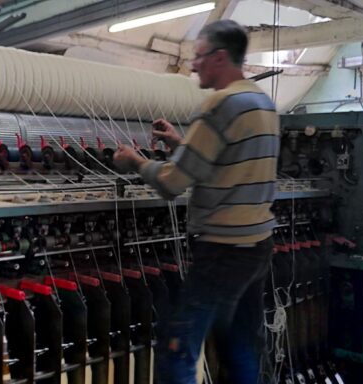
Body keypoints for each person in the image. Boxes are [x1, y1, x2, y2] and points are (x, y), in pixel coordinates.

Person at [114, 20, 279, 384]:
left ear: (220, 58)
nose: (192, 65)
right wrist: (180, 143)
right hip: (257, 247)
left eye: (198, 57)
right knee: (239, 345)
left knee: (178, 347)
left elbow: (174, 183)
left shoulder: (219, 105)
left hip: (223, 250)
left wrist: (136, 162)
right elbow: (222, 163)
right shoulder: (263, 104)